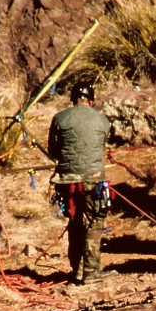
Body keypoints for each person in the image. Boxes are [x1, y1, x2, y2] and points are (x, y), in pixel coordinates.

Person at [48, 82, 114, 284]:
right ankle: (91, 270)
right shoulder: (102, 120)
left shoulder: (59, 118)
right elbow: (101, 146)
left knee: (75, 222)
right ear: (91, 101)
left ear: (73, 99)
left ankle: (76, 269)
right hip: (93, 180)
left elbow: (53, 151)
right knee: (94, 222)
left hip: (66, 181)